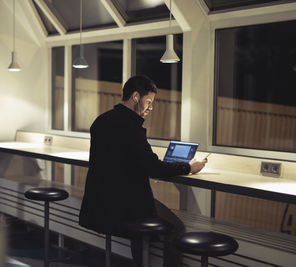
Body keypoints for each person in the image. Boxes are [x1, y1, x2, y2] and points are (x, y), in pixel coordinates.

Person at [79, 75, 207, 267]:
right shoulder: (130, 127)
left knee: (141, 221)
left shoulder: (101, 121)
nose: (151, 107)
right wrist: (188, 167)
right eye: (149, 101)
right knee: (176, 227)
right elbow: (153, 167)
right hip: (123, 207)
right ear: (136, 97)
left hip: (100, 204)